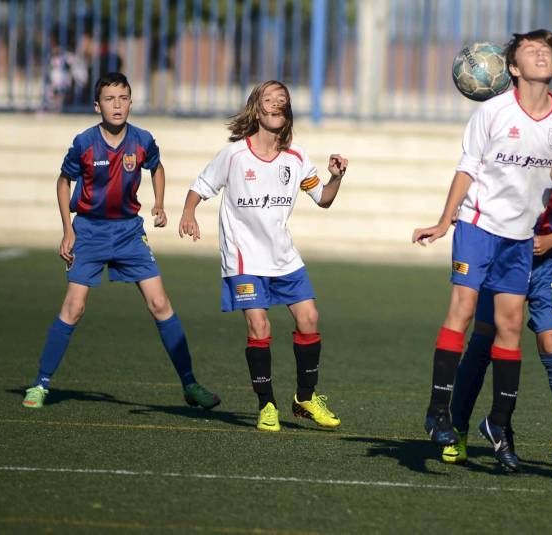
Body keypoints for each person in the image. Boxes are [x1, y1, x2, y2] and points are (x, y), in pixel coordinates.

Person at [412, 29, 552, 472]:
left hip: (520, 238)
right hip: (478, 226)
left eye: (548, 52)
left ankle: (499, 424)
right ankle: (438, 412)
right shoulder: (492, 112)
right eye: (531, 51)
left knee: (510, 324)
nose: (542, 55)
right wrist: (445, 220)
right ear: (514, 69)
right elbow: (467, 169)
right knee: (463, 311)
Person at [22, 72, 220, 410]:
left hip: (129, 231)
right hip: (90, 231)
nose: (117, 105)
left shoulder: (143, 140)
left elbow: (156, 167)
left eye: (123, 98)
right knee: (74, 307)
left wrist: (158, 203)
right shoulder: (84, 143)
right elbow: (63, 182)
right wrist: (68, 229)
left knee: (160, 304)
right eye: (110, 99)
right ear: (97, 105)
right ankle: (41, 384)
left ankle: (190, 384)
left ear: (131, 102)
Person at [179, 80, 348, 432]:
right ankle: (266, 404)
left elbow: (324, 199)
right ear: (256, 108)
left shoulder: (297, 156)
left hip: (283, 257)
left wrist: (335, 178)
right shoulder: (235, 155)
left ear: (287, 112)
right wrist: (188, 213)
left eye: (281, 101)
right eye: (268, 100)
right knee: (259, 326)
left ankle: (305, 397)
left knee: (310, 318)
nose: (275, 105)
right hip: (243, 258)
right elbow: (200, 187)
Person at [443, 176, 552, 468]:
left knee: (551, 341)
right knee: (484, 338)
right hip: (504, 261)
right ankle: (457, 431)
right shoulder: (502, 167)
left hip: (550, 265)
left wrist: (550, 241)